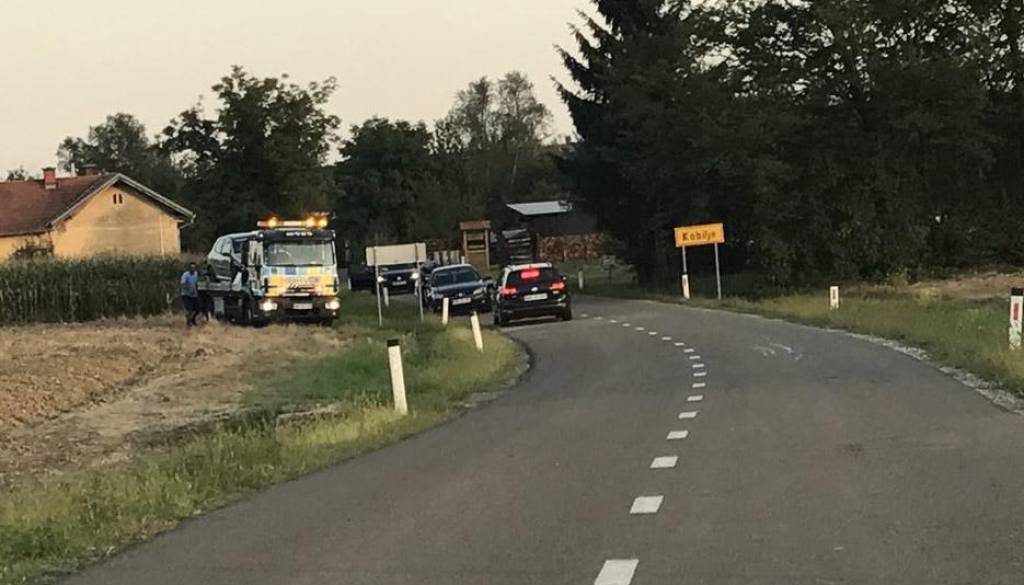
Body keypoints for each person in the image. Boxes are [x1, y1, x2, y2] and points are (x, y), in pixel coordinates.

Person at [180, 263, 201, 327]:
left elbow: (196, 283)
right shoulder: (185, 275)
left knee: (198, 309)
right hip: (186, 295)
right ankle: (188, 323)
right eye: (191, 267)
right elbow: (183, 284)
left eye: (194, 268)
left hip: (194, 295)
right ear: (189, 268)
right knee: (190, 309)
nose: (193, 269)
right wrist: (189, 289)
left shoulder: (196, 274)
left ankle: (193, 319)